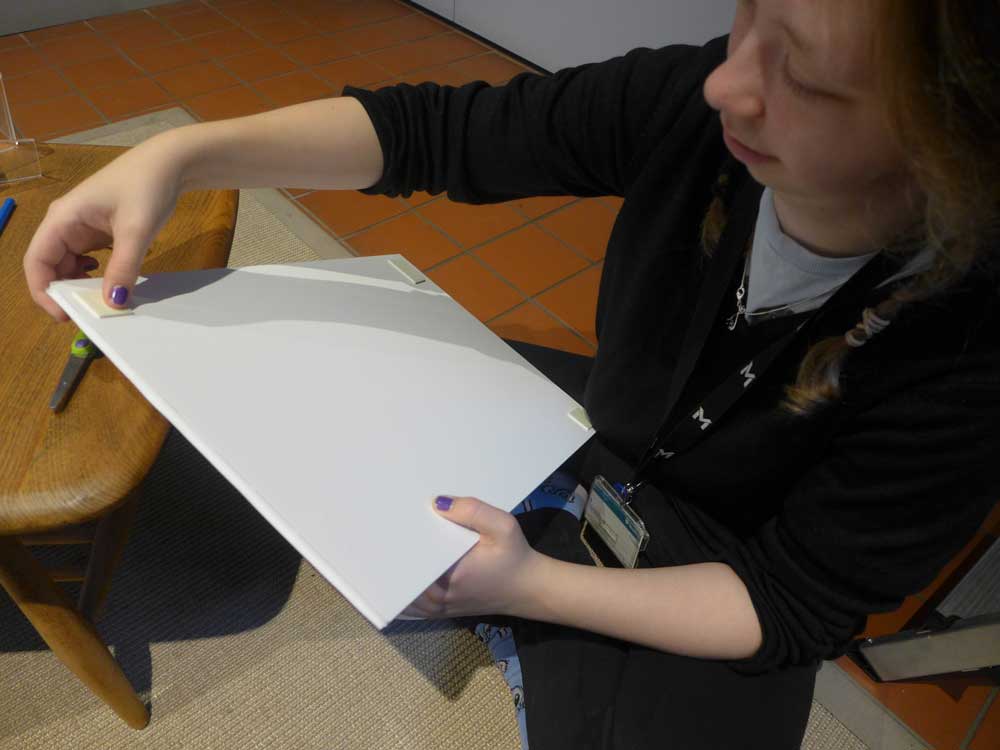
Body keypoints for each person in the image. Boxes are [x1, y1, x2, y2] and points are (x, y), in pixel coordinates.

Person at [23, 1, 1000, 748]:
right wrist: (185, 154)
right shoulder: (694, 105)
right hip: (609, 435)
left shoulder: (965, 356)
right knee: (349, 381)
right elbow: (434, 134)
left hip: (728, 554)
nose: (727, 86)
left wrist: (533, 589)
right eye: (746, 16)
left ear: (953, 136)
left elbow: (793, 603)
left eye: (813, 82)